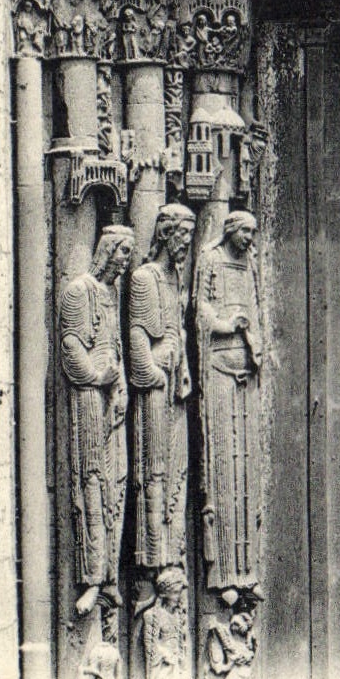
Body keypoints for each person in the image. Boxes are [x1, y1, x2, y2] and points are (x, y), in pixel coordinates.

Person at [58, 225, 134, 616]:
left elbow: (116, 346)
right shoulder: (78, 291)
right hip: (88, 398)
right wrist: (96, 377)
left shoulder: (111, 293)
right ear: (106, 251)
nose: (125, 261)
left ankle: (110, 577)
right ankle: (90, 578)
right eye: (122, 253)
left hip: (109, 399)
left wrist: (118, 387)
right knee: (90, 481)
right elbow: (71, 343)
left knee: (115, 483)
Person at [195, 211, 264, 603]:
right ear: (231, 230)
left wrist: (254, 340)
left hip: (246, 373)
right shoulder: (209, 258)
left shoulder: (249, 262)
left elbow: (256, 310)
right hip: (219, 371)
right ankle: (222, 573)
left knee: (247, 472)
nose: (251, 239)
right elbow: (200, 310)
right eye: (246, 232)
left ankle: (248, 569)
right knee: (223, 469)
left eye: (254, 232)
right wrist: (224, 324)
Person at [130, 203, 196, 576]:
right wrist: (153, 372)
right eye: (182, 235)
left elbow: (179, 330)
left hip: (174, 383)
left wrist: (182, 368)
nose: (185, 242)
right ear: (165, 234)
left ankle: (173, 550)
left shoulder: (175, 279)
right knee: (155, 466)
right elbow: (139, 334)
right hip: (155, 386)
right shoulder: (145, 277)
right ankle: (153, 556)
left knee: (177, 464)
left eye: (190, 235)